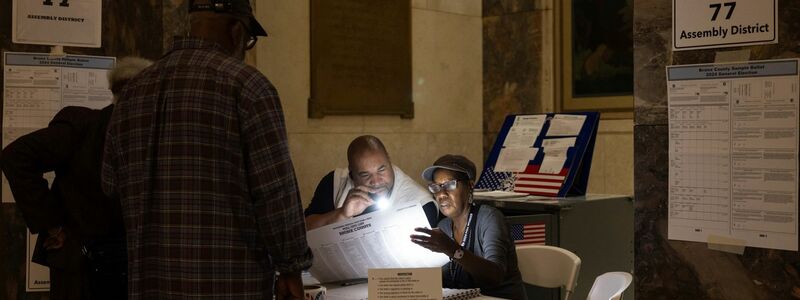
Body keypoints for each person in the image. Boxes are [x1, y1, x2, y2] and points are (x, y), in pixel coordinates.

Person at [100, 0, 312, 298]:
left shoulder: (133, 91)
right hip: (229, 283)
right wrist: (291, 267)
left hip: (152, 282)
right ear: (237, 31)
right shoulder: (248, 87)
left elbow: (110, 185)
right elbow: (275, 192)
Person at [1, 56, 153, 299]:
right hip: (86, 266)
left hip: (95, 265)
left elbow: (17, 156)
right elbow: (16, 157)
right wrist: (52, 223)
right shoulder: (87, 126)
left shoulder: (85, 126)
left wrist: (54, 225)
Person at [410, 154, 525, 299]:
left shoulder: (489, 218)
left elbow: (494, 277)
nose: (441, 194)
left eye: (449, 184)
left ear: (470, 185)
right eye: (436, 187)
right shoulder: (444, 226)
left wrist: (452, 249)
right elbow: (442, 277)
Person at [304, 135, 438, 230]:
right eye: (365, 174)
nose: (376, 181)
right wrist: (341, 214)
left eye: (381, 170)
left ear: (389, 161)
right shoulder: (335, 181)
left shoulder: (420, 203)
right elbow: (306, 228)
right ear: (351, 173)